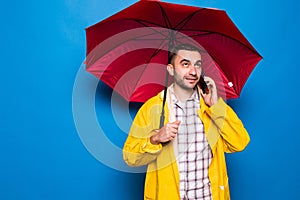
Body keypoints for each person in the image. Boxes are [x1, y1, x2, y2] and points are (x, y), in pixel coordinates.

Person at [123, 43, 250, 200]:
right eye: (185, 64)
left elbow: (239, 142)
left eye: (197, 65)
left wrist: (216, 106)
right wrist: (155, 139)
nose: (193, 72)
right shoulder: (152, 108)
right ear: (170, 69)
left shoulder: (211, 104)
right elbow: (130, 158)